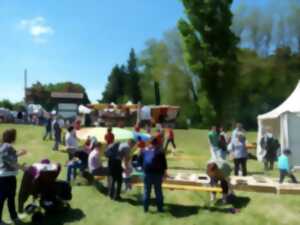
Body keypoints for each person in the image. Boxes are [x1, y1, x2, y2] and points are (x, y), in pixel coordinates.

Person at [0, 129, 27, 225]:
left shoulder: (3, 146)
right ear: (12, 137)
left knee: (5, 199)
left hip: (4, 177)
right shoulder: (8, 146)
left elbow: (9, 157)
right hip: (7, 178)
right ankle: (14, 218)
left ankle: (14, 217)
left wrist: (19, 154)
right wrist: (22, 168)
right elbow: (9, 160)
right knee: (8, 199)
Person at [138, 137, 167, 213]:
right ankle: (160, 209)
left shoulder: (143, 151)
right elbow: (164, 165)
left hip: (147, 174)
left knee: (146, 191)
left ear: (148, 143)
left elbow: (139, 163)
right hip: (158, 174)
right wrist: (164, 174)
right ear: (156, 143)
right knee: (158, 192)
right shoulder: (160, 152)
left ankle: (145, 209)